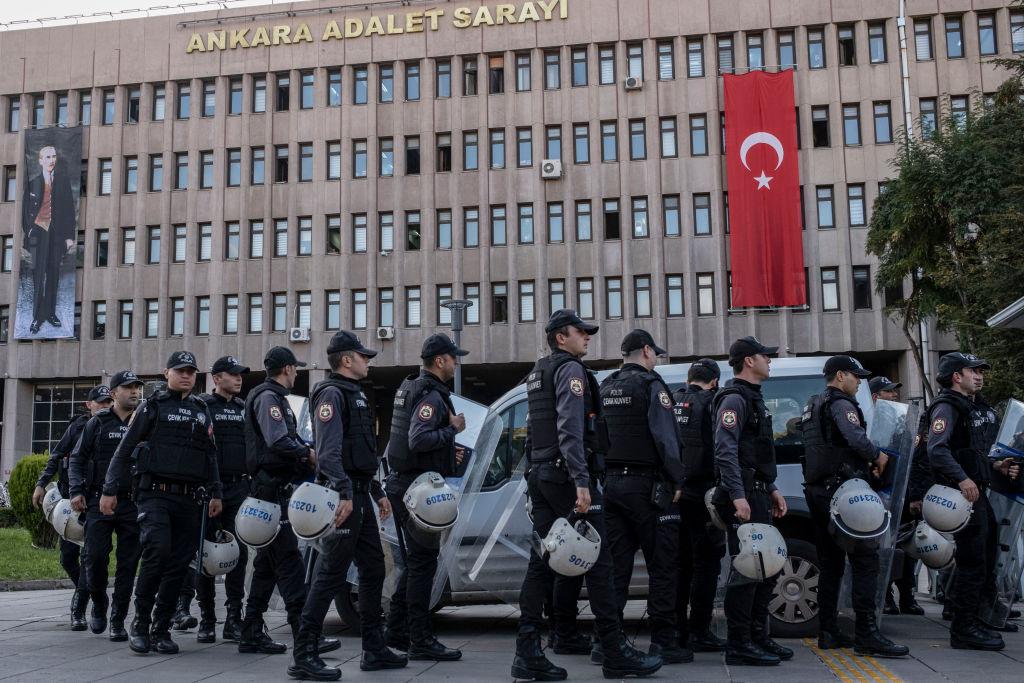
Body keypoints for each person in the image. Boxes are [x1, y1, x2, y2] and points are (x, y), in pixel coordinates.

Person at [512, 310, 661, 681]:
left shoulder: (537, 374)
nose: (588, 337)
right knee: (601, 562)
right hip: (568, 477)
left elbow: (532, 432)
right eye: (582, 332)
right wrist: (581, 480)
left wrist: (534, 473)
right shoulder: (571, 371)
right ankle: (614, 651)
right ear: (561, 337)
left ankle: (527, 652)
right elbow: (569, 426)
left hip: (543, 475)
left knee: (542, 561)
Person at [289, 331, 406, 681]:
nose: (368, 360)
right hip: (342, 498)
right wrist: (342, 493)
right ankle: (304, 653)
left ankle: (374, 648)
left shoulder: (354, 394)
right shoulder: (331, 393)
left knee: (372, 569)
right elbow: (327, 452)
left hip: (358, 494)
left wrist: (376, 490)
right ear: (345, 359)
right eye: (362, 355)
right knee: (330, 573)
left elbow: (360, 454)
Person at [100, 352, 223, 655]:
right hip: (155, 494)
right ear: (166, 373)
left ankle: (161, 628)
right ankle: (140, 624)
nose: (186, 376)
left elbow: (210, 453)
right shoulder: (152, 407)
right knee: (157, 551)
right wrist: (110, 489)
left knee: (179, 565)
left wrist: (216, 491)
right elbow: (125, 448)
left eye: (191, 371)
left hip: (189, 498)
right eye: (180, 371)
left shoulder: (201, 410)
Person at [802, 357, 909, 657]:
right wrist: (878, 456)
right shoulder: (841, 404)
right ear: (840, 376)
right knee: (865, 560)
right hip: (844, 491)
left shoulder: (814, 404)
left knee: (830, 565)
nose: (859, 381)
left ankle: (828, 632)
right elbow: (855, 439)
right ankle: (866, 635)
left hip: (819, 492)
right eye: (856, 376)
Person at [242, 346, 340, 657]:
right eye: (295, 368)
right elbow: (277, 440)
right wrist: (308, 453)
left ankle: (251, 631)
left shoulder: (272, 397)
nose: (296, 373)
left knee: (266, 568)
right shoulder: (270, 398)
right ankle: (305, 635)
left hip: (272, 490)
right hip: (270, 492)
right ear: (287, 369)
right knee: (290, 564)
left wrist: (305, 450)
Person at [600, 330, 689, 663]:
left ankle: (606, 642)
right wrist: (677, 477)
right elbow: (666, 438)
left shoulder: (605, 386)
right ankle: (663, 642)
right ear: (647, 351)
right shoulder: (652, 387)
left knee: (615, 568)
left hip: (611, 486)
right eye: (656, 353)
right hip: (648, 489)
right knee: (662, 565)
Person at [927, 352, 1020, 650]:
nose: (980, 375)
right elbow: (937, 450)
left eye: (981, 371)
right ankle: (964, 628)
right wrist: (963, 479)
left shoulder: (972, 406)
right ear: (957, 376)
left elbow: (973, 452)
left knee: (986, 555)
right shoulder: (947, 407)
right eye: (973, 371)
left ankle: (976, 618)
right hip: (961, 496)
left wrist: (997, 467)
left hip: (976, 493)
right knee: (973, 562)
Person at [384, 333, 468, 662]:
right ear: (439, 361)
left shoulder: (416, 388)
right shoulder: (431, 395)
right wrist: (454, 429)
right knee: (422, 566)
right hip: (415, 490)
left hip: (408, 485)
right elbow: (418, 439)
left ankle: (396, 629)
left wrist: (449, 452)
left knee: (415, 565)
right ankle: (420, 638)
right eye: (453, 357)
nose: (457, 362)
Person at [711, 336, 789, 666]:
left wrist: (771, 487)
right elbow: (725, 450)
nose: (770, 360)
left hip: (757, 491)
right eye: (765, 356)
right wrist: (739, 495)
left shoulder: (752, 397)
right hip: (742, 495)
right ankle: (739, 643)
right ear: (748, 361)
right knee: (747, 569)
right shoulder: (734, 399)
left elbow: (754, 452)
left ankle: (759, 636)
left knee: (766, 567)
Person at [173, 356, 252, 643]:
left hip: (239, 490)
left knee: (237, 555)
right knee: (207, 556)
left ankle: (234, 618)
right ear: (217, 378)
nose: (239, 379)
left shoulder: (245, 409)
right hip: (208, 492)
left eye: (240, 374)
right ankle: (208, 619)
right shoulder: (204, 406)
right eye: (232, 375)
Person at [69, 371, 145, 642]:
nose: (135, 392)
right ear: (114, 393)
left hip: (133, 502)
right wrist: (76, 490)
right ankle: (99, 601)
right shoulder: (98, 422)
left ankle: (118, 619)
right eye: (128, 388)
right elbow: (77, 458)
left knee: (128, 564)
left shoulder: (144, 421)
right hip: (99, 501)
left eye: (137, 387)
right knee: (95, 558)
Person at [32, 385, 112, 630]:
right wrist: (41, 484)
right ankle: (87, 590)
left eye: (108, 402)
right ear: (89, 405)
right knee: (68, 558)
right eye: (100, 402)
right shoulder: (77, 428)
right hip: (72, 504)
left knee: (90, 557)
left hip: (96, 504)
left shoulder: (114, 428)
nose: (105, 406)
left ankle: (78, 609)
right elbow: (56, 456)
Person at [673, 358, 727, 653]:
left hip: (676, 495)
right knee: (706, 565)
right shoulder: (713, 403)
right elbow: (721, 446)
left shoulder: (673, 400)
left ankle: (678, 629)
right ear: (715, 381)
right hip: (705, 495)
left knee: (680, 565)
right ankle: (699, 630)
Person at [869, 377, 924, 618]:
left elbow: (914, 463)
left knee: (907, 549)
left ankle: (907, 596)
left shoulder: (902, 422)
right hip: (880, 494)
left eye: (893, 392)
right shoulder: (869, 423)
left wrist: (914, 495)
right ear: (875, 397)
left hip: (902, 494)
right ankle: (886, 595)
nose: (893, 396)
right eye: (887, 392)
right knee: (882, 548)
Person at [21, 144, 76, 334]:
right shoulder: (33, 182)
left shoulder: (62, 181)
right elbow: (25, 211)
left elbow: (69, 210)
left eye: (54, 156)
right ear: (40, 161)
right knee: (38, 277)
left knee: (53, 276)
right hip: (38, 233)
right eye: (48, 157)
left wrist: (69, 237)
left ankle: (51, 313)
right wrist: (28, 232)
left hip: (57, 236)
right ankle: (37, 317)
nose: (52, 160)